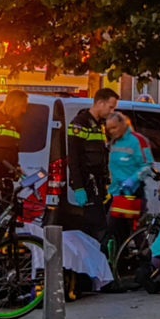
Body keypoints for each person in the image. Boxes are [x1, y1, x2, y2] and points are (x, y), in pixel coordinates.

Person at [68, 87, 119, 242]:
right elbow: (73, 157)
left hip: (99, 184)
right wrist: (78, 186)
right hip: (88, 183)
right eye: (110, 107)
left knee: (90, 228)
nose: (112, 112)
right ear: (100, 103)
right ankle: (102, 263)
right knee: (100, 227)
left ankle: (85, 263)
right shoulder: (80, 123)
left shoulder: (100, 125)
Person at [106, 111, 154, 245]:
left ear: (123, 124)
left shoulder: (137, 140)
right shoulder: (113, 143)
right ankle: (122, 263)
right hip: (115, 194)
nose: (112, 131)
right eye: (109, 129)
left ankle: (145, 262)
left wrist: (133, 179)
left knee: (135, 234)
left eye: (114, 127)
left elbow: (148, 165)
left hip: (133, 195)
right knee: (117, 233)